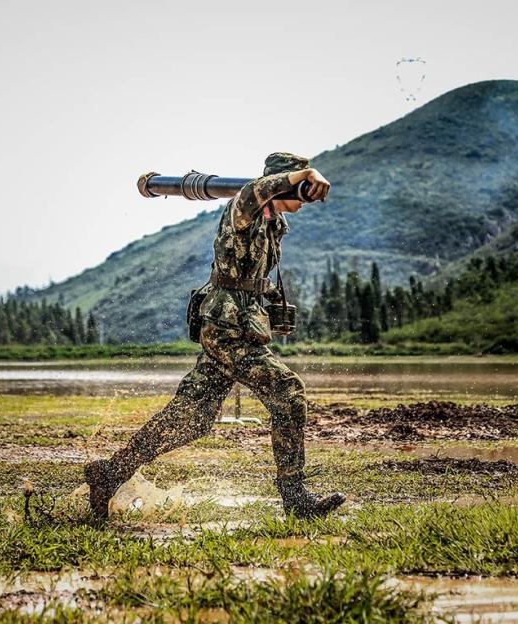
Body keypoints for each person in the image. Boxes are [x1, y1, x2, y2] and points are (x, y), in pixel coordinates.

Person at [85, 152, 345, 518]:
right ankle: (296, 499)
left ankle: (109, 473)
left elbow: (245, 274)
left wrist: (270, 300)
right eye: (300, 189)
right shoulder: (245, 206)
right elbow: (256, 190)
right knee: (288, 393)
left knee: (191, 418)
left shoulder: (273, 224)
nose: (305, 198)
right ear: (281, 184)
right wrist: (307, 174)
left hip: (237, 324)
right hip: (226, 330)